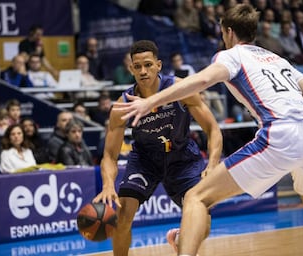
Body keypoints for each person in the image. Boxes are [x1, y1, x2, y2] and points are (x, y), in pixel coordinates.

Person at [114, 4, 303, 256]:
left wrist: (151, 101)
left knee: (196, 197)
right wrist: (302, 142)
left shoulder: (231, 55)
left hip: (280, 133)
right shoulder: (278, 59)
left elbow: (203, 80)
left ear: (227, 32)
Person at [92, 40, 222, 256]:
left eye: (148, 65)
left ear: (159, 65)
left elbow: (213, 129)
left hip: (183, 159)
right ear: (131, 69)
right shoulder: (122, 105)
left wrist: (213, 163)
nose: (143, 71)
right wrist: (107, 185)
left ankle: (182, 239)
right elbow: (109, 155)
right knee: (123, 215)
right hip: (145, 160)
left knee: (204, 224)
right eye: (138, 66)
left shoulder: (181, 88)